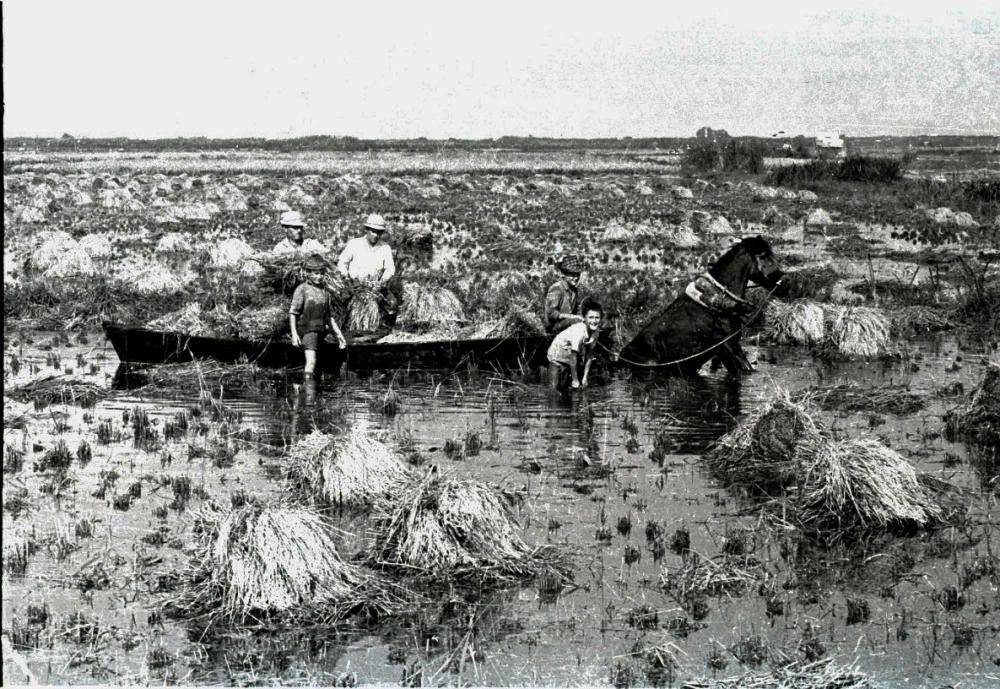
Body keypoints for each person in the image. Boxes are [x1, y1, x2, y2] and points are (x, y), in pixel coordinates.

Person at [337, 213, 399, 328]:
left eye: (379, 232)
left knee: (392, 304)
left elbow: (390, 269)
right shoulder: (354, 244)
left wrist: (381, 282)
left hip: (376, 286)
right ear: (367, 229)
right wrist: (346, 278)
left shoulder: (385, 248)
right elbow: (342, 262)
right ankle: (341, 329)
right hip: (354, 285)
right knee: (342, 302)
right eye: (373, 231)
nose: (376, 235)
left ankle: (385, 329)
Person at [289, 254, 347, 376]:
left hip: (320, 331)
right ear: (307, 273)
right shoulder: (302, 289)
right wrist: (294, 334)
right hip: (307, 330)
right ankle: (309, 392)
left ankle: (316, 390)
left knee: (325, 361)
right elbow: (293, 313)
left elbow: (329, 317)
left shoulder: (325, 292)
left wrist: (339, 334)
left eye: (321, 273)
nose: (319, 277)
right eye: (315, 273)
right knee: (311, 362)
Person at [546, 301, 603, 391]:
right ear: (584, 318)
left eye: (597, 318)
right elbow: (573, 357)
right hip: (557, 355)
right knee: (554, 390)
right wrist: (575, 380)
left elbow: (589, 355)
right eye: (591, 317)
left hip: (570, 358)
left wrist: (585, 377)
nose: (594, 321)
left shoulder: (596, 332)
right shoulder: (579, 331)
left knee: (569, 388)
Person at [545, 255, 584, 334]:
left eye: (577, 275)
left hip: (568, 323)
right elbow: (551, 314)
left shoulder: (574, 290)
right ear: (564, 274)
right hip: (554, 327)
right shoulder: (556, 288)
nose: (576, 278)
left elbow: (577, 310)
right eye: (572, 275)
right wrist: (573, 317)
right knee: (576, 321)